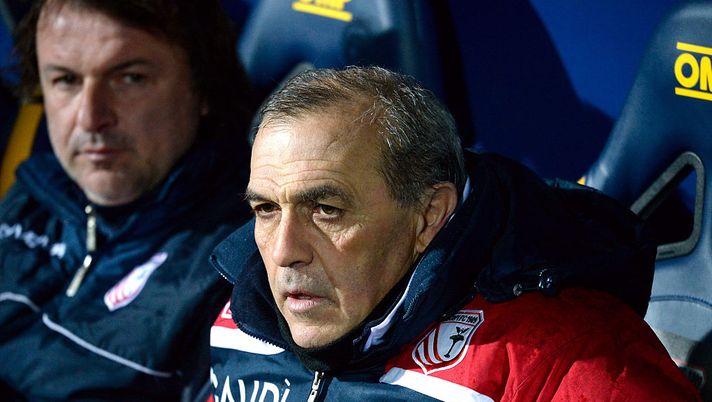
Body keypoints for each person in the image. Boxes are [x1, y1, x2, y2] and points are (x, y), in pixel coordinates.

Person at [208, 66, 702, 401]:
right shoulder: (242, 319)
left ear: (428, 216)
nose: (283, 252)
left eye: (326, 210)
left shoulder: (567, 361)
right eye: (266, 209)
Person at [0, 0, 254, 400]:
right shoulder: (34, 195)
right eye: (65, 80)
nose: (90, 117)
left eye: (129, 78)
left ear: (204, 87)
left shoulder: (245, 258)